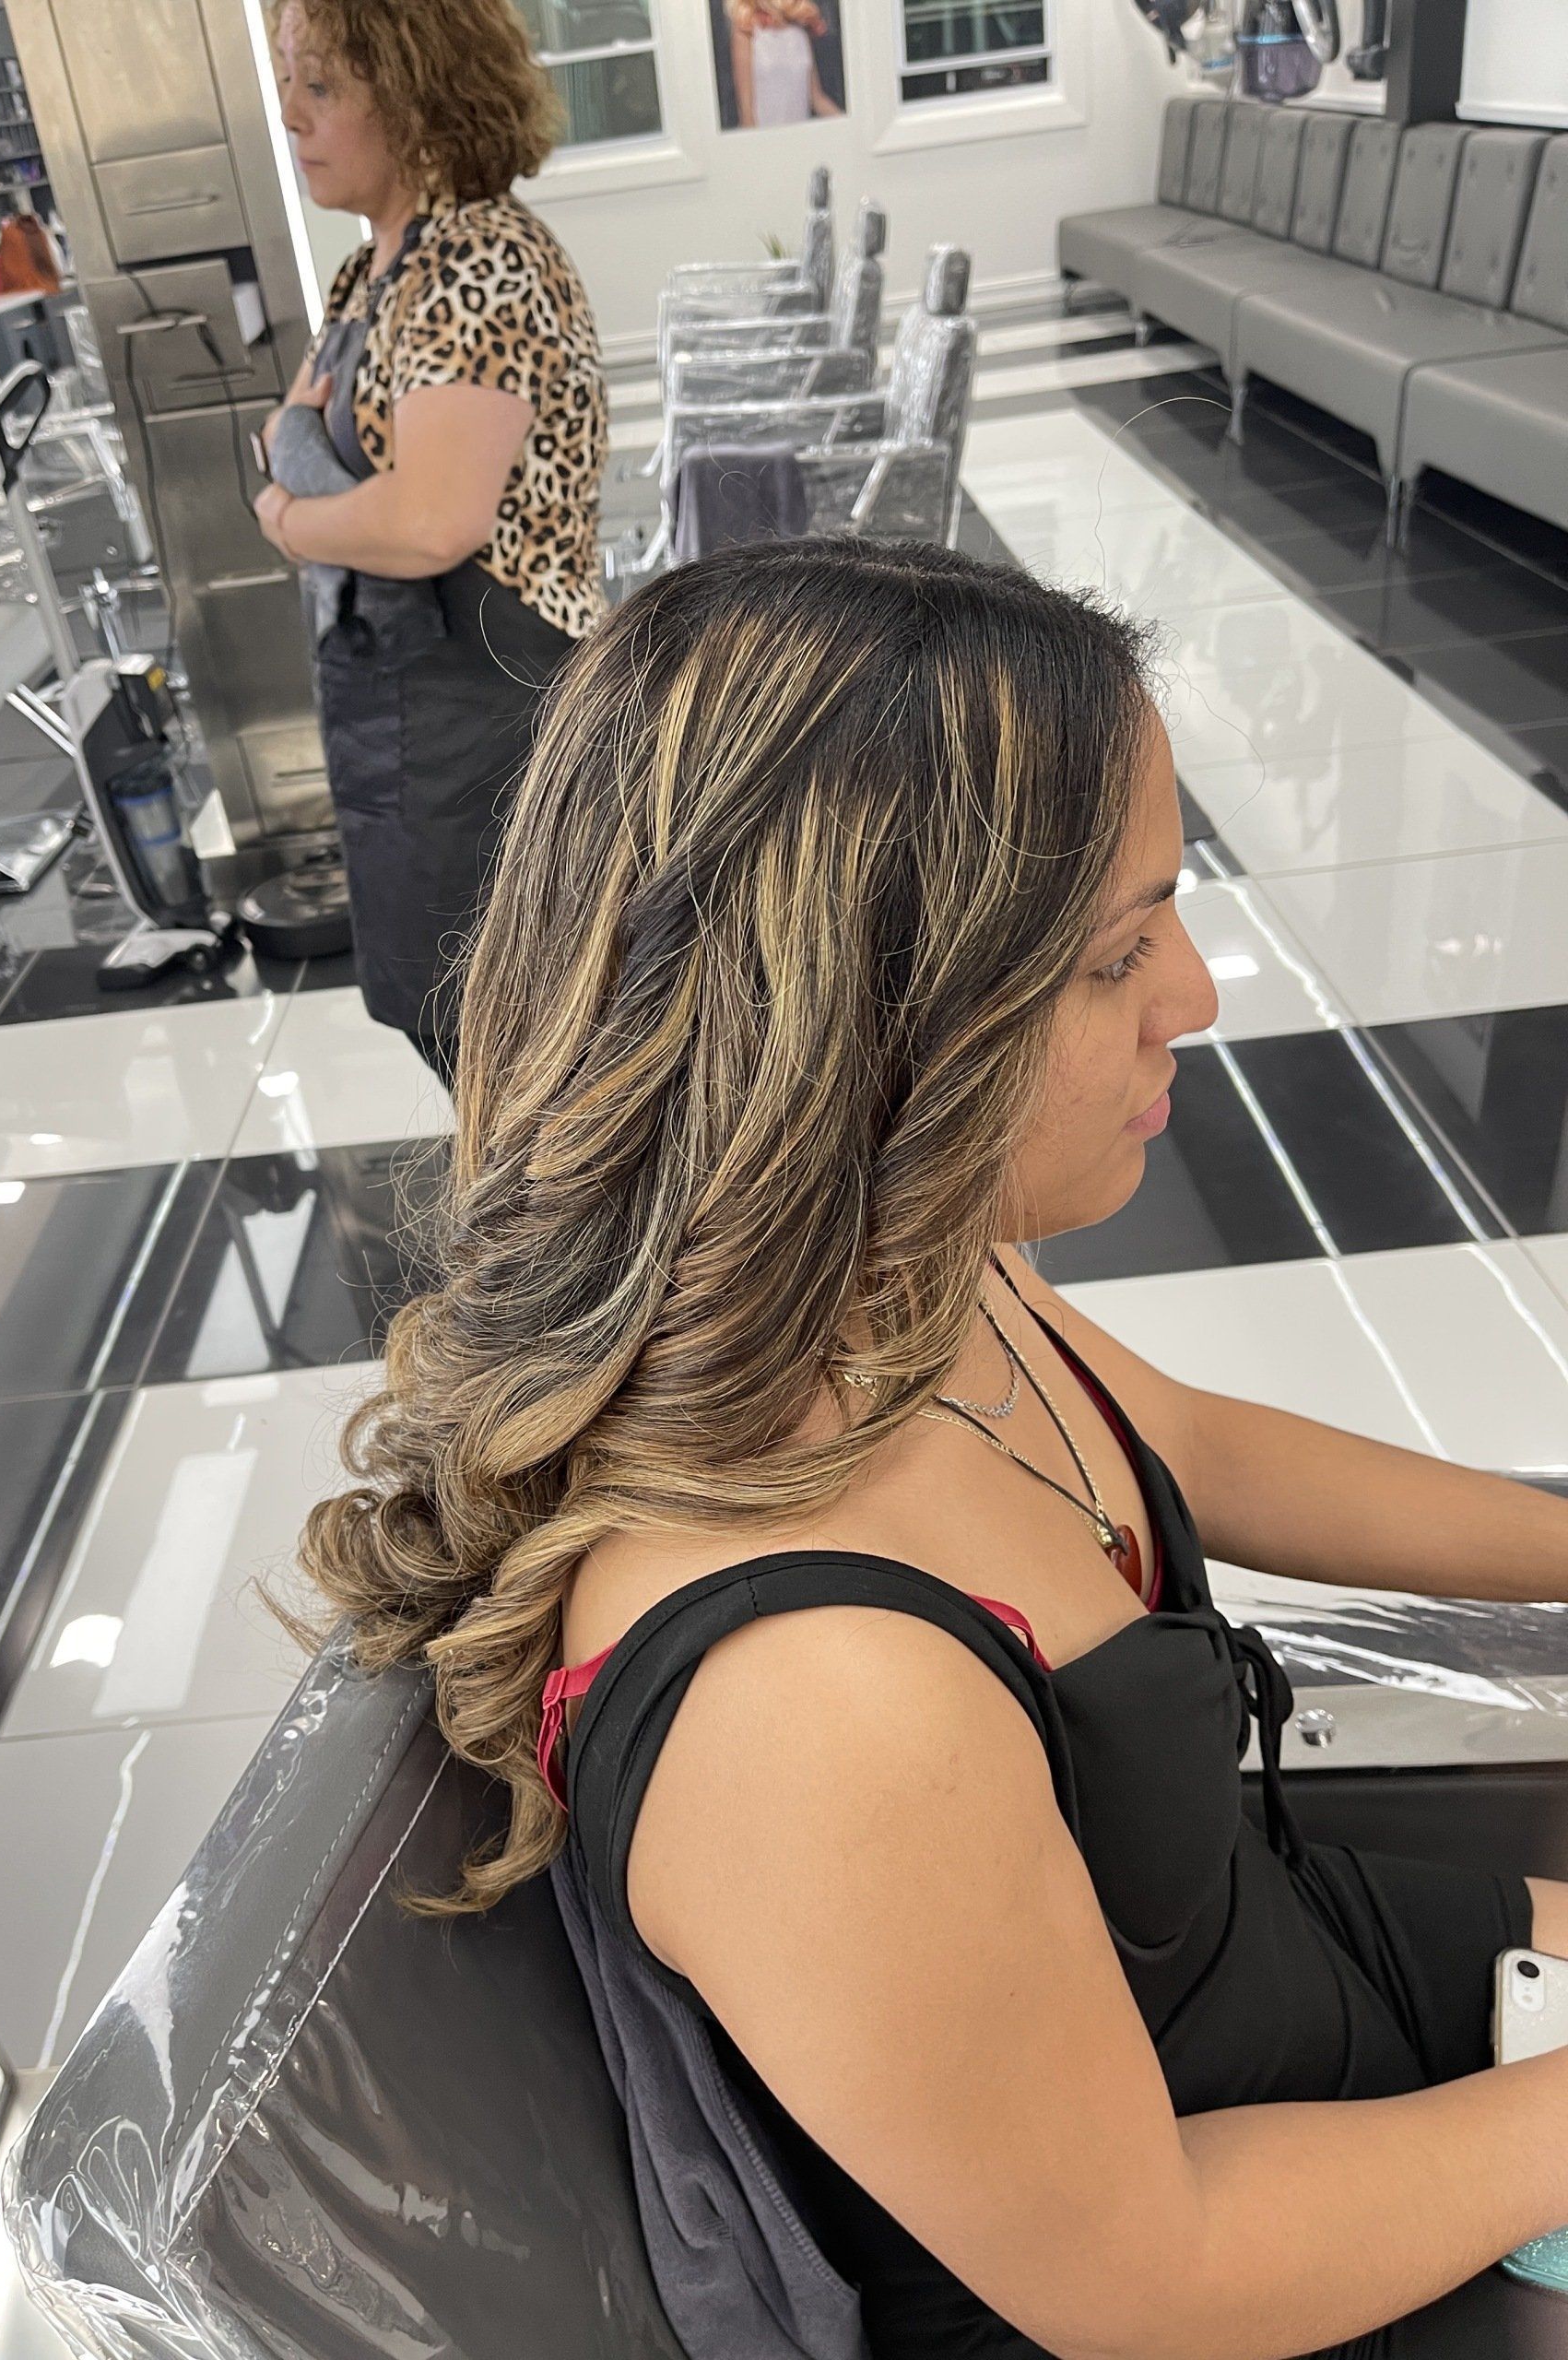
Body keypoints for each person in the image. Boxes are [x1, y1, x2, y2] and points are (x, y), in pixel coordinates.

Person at [300, 539, 1568, 2357]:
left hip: (1295, 1976)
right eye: (1120, 950)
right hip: (1247, 2250)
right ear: (861, 1027)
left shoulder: (903, 1259)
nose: (1195, 996)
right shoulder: (813, 1691)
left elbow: (1186, 1440)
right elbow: (1158, 2274)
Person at [256, 0, 607, 1090]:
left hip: (490, 700)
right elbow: (287, 438)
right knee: (451, 1025)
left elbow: (424, 521)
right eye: (287, 82)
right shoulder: (376, 275)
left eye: (322, 86)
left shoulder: (478, 260)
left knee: (522, 1041)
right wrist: (296, 462)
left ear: (414, 93)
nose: (291, 116)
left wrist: (285, 511)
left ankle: (593, 1254)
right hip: (399, 700)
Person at [726, 0, 844, 126]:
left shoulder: (800, 33)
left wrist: (852, 125)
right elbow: (746, 113)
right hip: (766, 138)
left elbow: (817, 98)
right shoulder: (745, 34)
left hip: (801, 137)